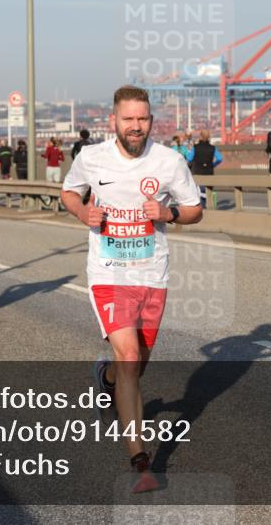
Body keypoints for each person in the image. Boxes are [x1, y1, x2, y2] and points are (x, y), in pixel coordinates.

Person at [60, 85, 202, 493]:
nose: (136, 126)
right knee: (128, 354)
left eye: (142, 119)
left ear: (150, 121)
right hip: (108, 273)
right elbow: (69, 192)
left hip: (151, 275)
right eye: (128, 119)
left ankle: (104, 379)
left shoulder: (170, 162)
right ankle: (141, 461)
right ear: (114, 122)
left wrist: (169, 212)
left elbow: (196, 209)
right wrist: (83, 211)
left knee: (134, 367)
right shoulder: (91, 158)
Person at [186, 130, 222, 208]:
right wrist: (213, 165)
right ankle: (210, 207)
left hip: (198, 172)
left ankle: (202, 209)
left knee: (200, 192)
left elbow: (189, 158)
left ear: (200, 137)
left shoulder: (195, 147)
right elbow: (220, 158)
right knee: (208, 191)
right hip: (209, 172)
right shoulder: (213, 148)